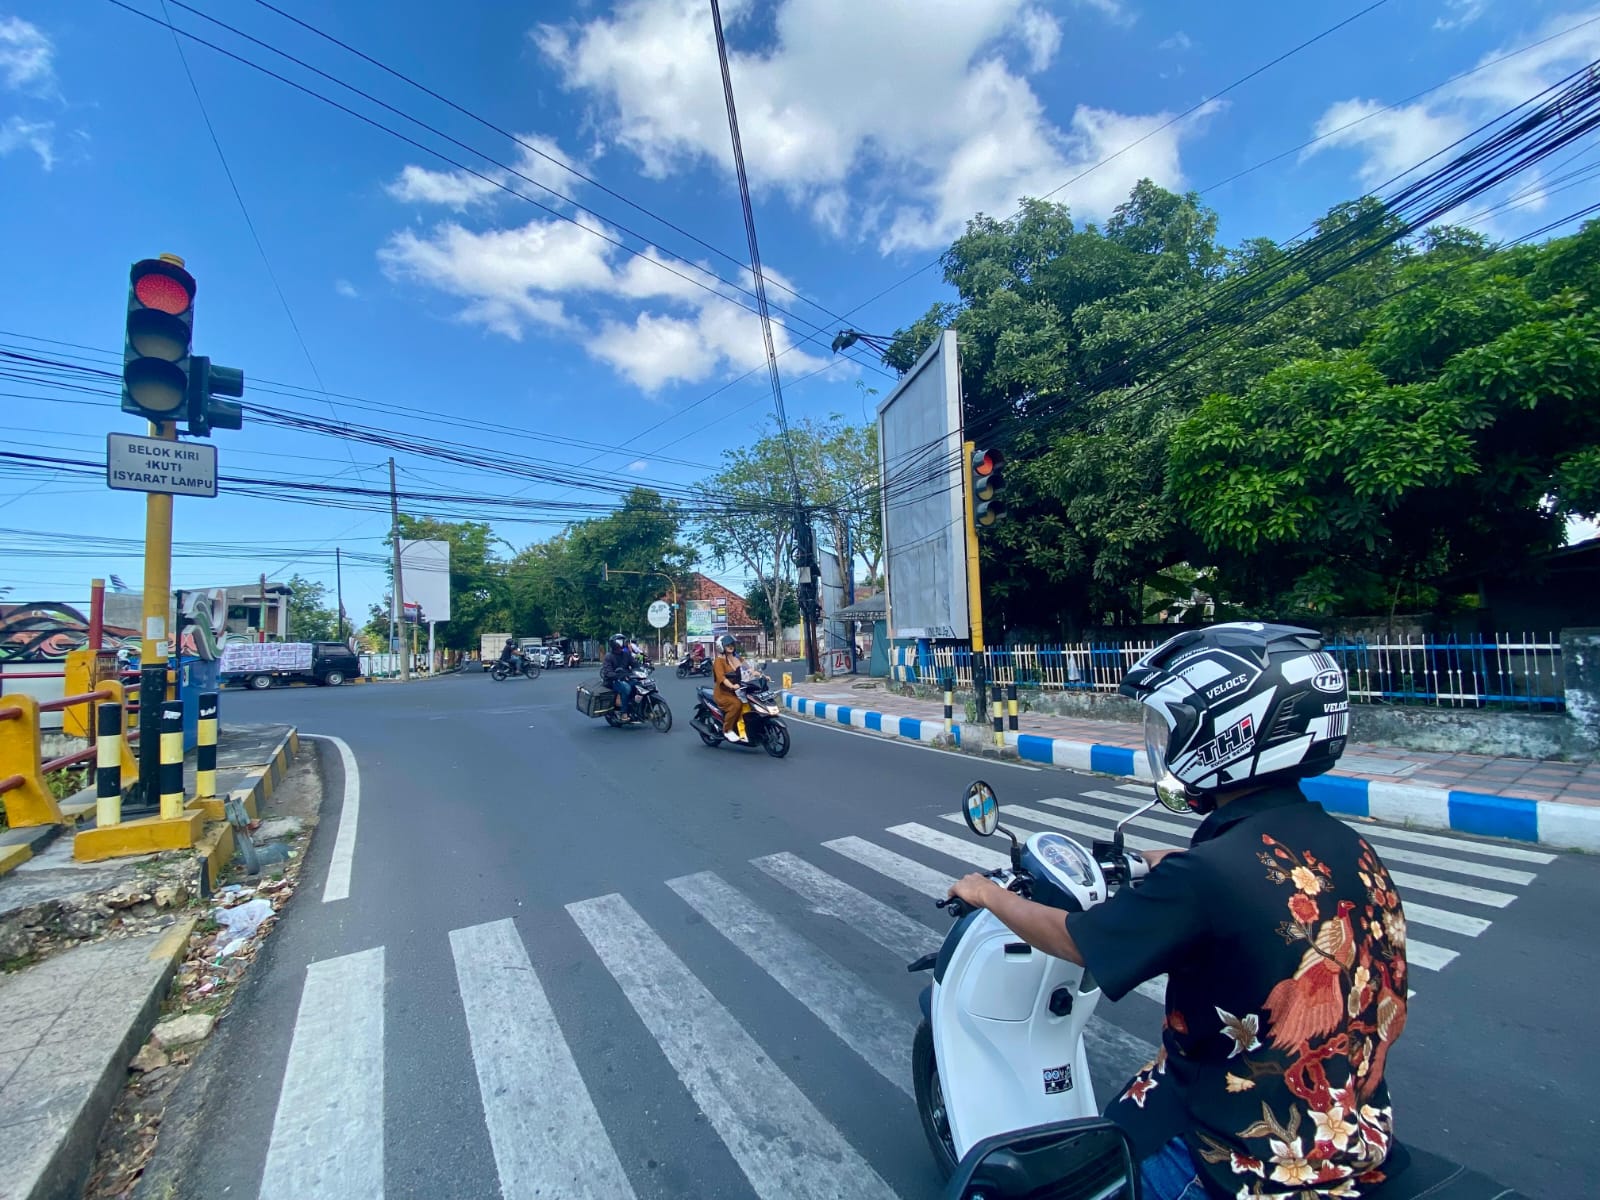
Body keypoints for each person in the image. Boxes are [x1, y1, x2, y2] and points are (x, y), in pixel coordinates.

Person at [947, 623, 1407, 1200]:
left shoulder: (1207, 877)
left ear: (1229, 731)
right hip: (1351, 1130)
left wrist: (987, 894)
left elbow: (1079, 941)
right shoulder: (1347, 847)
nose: (1168, 745)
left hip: (1238, 1152)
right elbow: (1260, 882)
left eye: (1177, 727)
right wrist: (1159, 860)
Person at [711, 634, 747, 742]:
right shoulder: (719, 661)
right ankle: (727, 730)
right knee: (736, 704)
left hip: (738, 690)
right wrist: (732, 686)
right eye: (727, 645)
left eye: (732, 644)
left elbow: (748, 667)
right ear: (721, 647)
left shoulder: (737, 657)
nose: (730, 646)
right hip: (723, 693)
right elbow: (721, 678)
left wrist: (760, 674)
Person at [601, 634, 637, 719]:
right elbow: (608, 672)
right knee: (626, 688)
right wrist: (618, 676)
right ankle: (623, 712)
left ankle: (636, 706)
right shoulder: (608, 657)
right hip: (612, 681)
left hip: (625, 678)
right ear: (613, 644)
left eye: (622, 641)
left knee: (639, 684)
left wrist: (642, 668)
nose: (622, 643)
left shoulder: (626, 654)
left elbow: (635, 664)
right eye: (619, 641)